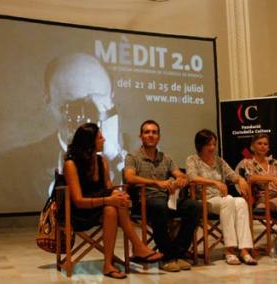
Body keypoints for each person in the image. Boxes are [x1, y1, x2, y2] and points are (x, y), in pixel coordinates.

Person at [63, 123, 162, 279]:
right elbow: (78, 201)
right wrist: (109, 199)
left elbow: (108, 188)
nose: (104, 140)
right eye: (100, 137)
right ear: (89, 141)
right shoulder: (71, 164)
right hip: (78, 212)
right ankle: (137, 246)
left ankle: (108, 264)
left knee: (113, 207)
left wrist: (118, 195)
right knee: (111, 205)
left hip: (100, 206)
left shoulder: (101, 160)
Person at [124, 120, 203, 272]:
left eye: (154, 132)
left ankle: (178, 253)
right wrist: (157, 183)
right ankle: (167, 257)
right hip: (144, 201)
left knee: (195, 206)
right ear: (141, 136)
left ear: (159, 137)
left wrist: (180, 180)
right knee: (160, 206)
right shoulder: (132, 157)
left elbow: (181, 175)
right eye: (147, 132)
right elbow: (130, 178)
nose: (151, 135)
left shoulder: (166, 158)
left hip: (167, 200)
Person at [45, 52, 126, 186]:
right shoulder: (18, 165)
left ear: (112, 97)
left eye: (98, 102)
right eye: (74, 106)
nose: (89, 117)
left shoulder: (132, 151)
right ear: (49, 101)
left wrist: (115, 156)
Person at [186, 129, 257, 265]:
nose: (212, 147)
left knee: (241, 201)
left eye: (214, 144)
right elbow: (192, 178)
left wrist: (240, 180)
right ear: (200, 145)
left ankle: (244, 250)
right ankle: (229, 250)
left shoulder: (218, 161)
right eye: (208, 144)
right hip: (204, 200)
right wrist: (214, 182)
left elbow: (232, 175)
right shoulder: (192, 159)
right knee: (229, 200)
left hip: (223, 200)